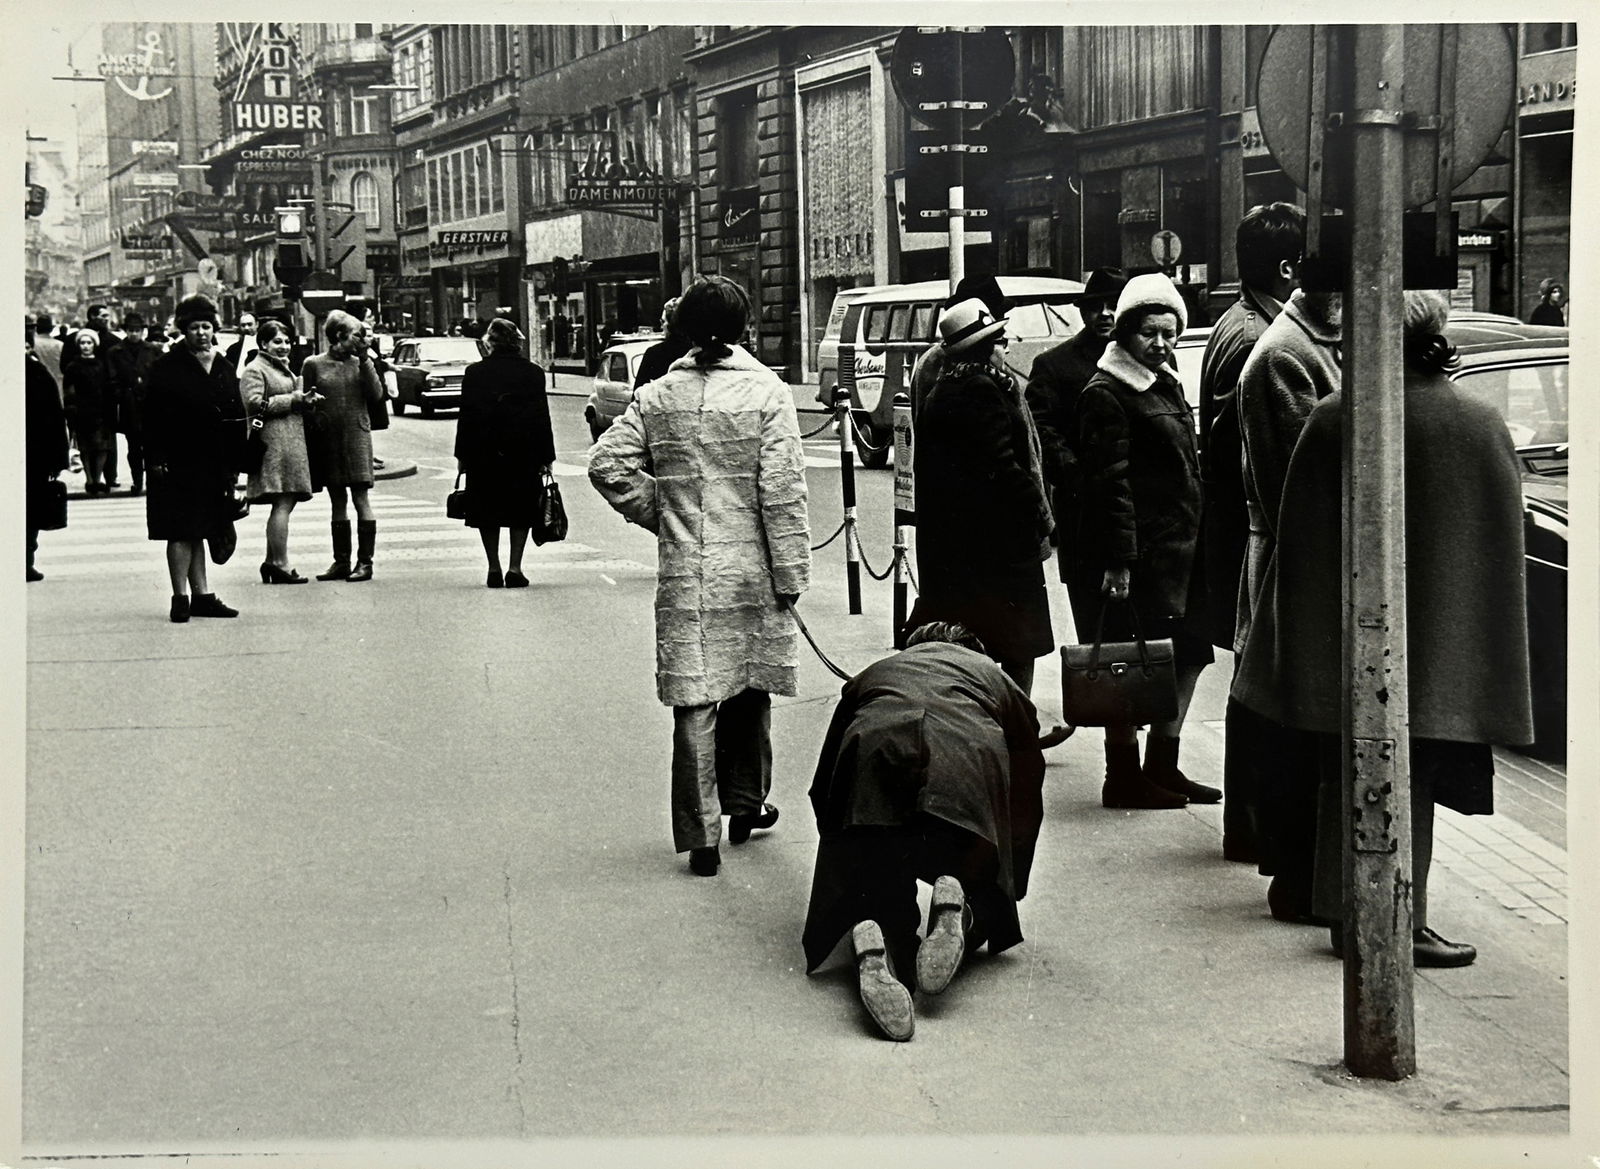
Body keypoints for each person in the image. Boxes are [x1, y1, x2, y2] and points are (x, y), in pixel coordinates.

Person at [1232, 290, 1533, 967]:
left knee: (1347, 767)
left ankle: (1347, 906)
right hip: (1437, 646)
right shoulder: (1478, 422)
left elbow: (1299, 542)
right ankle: (1404, 915)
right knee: (1413, 771)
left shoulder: (1337, 418)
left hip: (1344, 641)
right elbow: (1494, 553)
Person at [588, 275, 811, 878]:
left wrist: (664, 512)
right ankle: (746, 803)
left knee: (695, 700)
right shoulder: (768, 394)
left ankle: (701, 835)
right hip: (752, 568)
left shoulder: (658, 395)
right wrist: (791, 571)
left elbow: (607, 464)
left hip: (689, 570)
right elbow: (783, 494)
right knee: (748, 687)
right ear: (743, 329)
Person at [803, 622, 1047, 1042]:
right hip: (963, 753)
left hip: (874, 749)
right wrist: (1008, 869)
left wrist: (843, 839)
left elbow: (829, 770)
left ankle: (874, 937)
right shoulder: (991, 672)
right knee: (970, 861)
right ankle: (961, 903)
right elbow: (1029, 770)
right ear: (973, 648)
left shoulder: (880, 669)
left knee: (876, 876)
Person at [1074, 272, 1216, 809]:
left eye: (1170, 332)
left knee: (1188, 655)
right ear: (1125, 333)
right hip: (1141, 559)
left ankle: (1164, 763)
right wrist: (1119, 560)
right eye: (1149, 333)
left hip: (1180, 552)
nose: (1161, 343)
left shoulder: (1166, 379)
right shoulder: (1107, 391)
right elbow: (1107, 482)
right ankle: (1123, 774)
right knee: (1129, 663)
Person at [1195, 203, 1306, 863]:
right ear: (1288, 265)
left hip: (1237, 533)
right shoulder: (1255, 339)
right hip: (1247, 535)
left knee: (1253, 681)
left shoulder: (1241, 322)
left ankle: (1250, 823)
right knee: (1258, 684)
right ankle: (1251, 825)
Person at [1233, 279, 1344, 919]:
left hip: (1301, 558)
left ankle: (1299, 872)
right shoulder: (1283, 353)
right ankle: (1296, 877)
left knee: (1297, 725)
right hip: (1294, 561)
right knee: (1294, 726)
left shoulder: (1310, 339)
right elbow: (1296, 483)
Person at [911, 297, 1056, 704]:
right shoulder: (981, 390)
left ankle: (985, 719)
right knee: (1017, 646)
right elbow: (1005, 467)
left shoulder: (945, 387)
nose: (1004, 348)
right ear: (983, 347)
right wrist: (1042, 517)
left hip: (961, 546)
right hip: (999, 547)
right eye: (999, 340)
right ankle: (1016, 725)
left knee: (977, 641)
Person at [1026, 266, 1127, 607]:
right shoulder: (1054, 365)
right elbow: (1042, 430)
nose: (1105, 314)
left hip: (1141, 518)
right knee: (1093, 622)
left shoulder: (1148, 356)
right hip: (1084, 516)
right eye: (1095, 306)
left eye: (1113, 304)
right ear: (1083, 311)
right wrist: (1078, 477)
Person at [142, 294, 246, 623]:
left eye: (206, 326)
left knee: (201, 528)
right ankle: (179, 599)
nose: (201, 332)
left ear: (214, 329)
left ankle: (202, 597)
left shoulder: (224, 366)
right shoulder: (165, 367)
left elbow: (235, 416)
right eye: (194, 327)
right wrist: (155, 457)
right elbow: (150, 417)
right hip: (175, 460)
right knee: (179, 530)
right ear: (183, 330)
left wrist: (236, 467)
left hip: (213, 461)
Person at [454, 317, 556, 587]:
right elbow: (541, 418)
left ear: (490, 343)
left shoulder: (475, 373)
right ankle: (515, 567)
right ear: (517, 342)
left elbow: (466, 418)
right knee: (521, 508)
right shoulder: (533, 373)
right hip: (523, 452)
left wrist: (462, 457)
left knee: (486, 508)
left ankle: (493, 567)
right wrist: (547, 458)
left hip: (483, 452)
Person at [303, 310, 385, 582]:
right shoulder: (313, 364)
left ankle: (365, 563)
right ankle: (341, 561)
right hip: (329, 439)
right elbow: (307, 400)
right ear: (339, 336)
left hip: (357, 436)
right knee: (337, 500)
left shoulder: (361, 362)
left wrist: (365, 360)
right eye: (356, 334)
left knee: (361, 498)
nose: (361, 339)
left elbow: (376, 395)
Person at [243, 318, 319, 584]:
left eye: (287, 341)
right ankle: (280, 562)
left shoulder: (281, 367)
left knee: (285, 502)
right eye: (277, 341)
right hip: (274, 445)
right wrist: (295, 399)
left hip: (288, 443)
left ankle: (271, 561)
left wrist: (305, 400)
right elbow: (253, 404)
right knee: (283, 502)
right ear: (263, 343)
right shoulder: (255, 368)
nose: (284, 346)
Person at [27, 327, 70, 581]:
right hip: (33, 456)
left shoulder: (37, 374)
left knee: (30, 512)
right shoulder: (36, 373)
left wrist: (57, 460)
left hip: (34, 456)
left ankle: (24, 560)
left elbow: (54, 419)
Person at [108, 311, 165, 496]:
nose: (134, 334)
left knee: (151, 445)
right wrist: (121, 394)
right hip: (129, 404)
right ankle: (137, 481)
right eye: (130, 330)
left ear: (142, 331)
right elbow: (112, 378)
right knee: (133, 447)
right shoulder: (116, 352)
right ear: (125, 331)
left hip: (150, 405)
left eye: (137, 330)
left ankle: (151, 481)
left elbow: (160, 376)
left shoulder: (152, 350)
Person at [62, 329, 119, 495]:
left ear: (94, 345)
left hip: (101, 410)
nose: (86, 346)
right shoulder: (73, 366)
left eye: (89, 343)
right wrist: (71, 409)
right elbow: (69, 390)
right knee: (86, 448)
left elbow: (109, 387)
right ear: (78, 345)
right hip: (82, 411)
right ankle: (90, 479)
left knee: (102, 447)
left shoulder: (102, 364)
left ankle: (98, 476)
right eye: (82, 343)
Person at [632, 297, 691, 389]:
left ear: (671, 324)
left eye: (663, 322)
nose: (661, 326)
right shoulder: (697, 352)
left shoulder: (654, 354)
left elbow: (637, 396)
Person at [32, 314, 64, 396]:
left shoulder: (33, 344)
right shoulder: (60, 345)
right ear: (51, 329)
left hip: (36, 383)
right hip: (57, 382)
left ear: (36, 328)